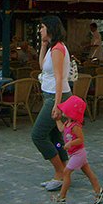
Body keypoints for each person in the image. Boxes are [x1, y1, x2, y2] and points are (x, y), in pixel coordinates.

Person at [31, 16, 70, 192]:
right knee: (55, 138)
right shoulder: (52, 48)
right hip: (51, 95)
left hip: (56, 96)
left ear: (51, 29)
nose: (40, 30)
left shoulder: (58, 50)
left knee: (38, 135)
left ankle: (60, 172)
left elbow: (59, 77)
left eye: (43, 27)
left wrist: (56, 104)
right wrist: (44, 45)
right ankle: (64, 171)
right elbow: (42, 66)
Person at [51, 95, 103, 204]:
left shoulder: (75, 126)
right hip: (75, 154)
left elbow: (81, 139)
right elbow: (61, 129)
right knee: (88, 173)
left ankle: (62, 197)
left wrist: (70, 143)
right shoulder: (67, 123)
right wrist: (57, 120)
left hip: (78, 154)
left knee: (66, 172)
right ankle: (98, 190)